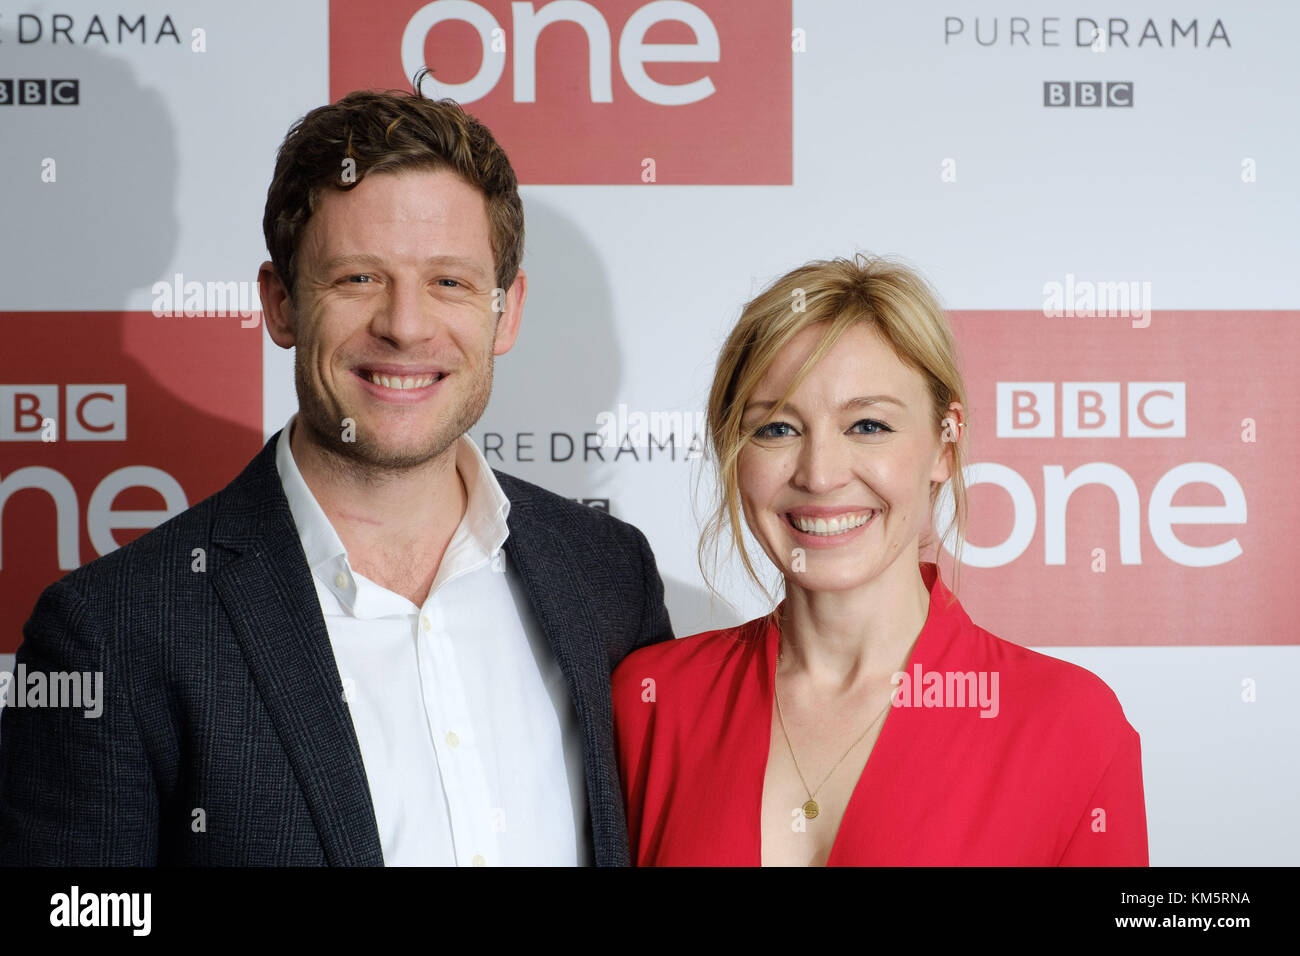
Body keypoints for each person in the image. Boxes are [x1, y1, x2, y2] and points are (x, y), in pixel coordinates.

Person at [0, 85, 673, 866]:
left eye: (449, 282)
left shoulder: (608, 577)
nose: (406, 324)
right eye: (357, 278)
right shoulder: (112, 634)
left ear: (507, 311)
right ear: (281, 303)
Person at [612, 255, 1148, 866]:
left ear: (945, 446)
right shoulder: (651, 702)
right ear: (734, 454)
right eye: (777, 429)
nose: (819, 474)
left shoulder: (1069, 726)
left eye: (868, 425)